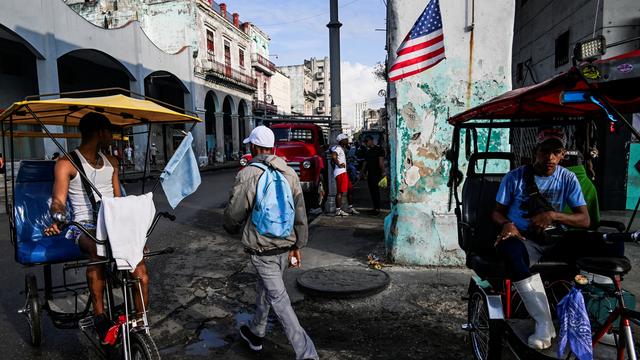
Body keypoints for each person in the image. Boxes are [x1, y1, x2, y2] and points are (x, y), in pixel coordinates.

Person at [492, 128, 624, 350]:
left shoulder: (568, 178)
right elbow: (496, 212)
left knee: (611, 244)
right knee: (510, 251)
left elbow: (585, 220)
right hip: (524, 238)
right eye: (545, 151)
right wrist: (507, 224)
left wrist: (553, 215)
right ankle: (543, 322)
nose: (550, 157)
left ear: (563, 154)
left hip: (556, 238)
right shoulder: (514, 177)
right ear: (536, 151)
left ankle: (599, 321)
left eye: (556, 152)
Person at [44, 112, 150, 343]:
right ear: (101, 133)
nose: (112, 138)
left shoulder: (112, 163)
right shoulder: (66, 163)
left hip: (112, 222)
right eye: (109, 133)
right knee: (97, 250)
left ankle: (141, 321)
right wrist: (58, 217)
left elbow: (118, 199)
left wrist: (135, 233)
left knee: (139, 265)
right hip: (82, 225)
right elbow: (58, 200)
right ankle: (99, 316)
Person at [223, 126, 319, 360]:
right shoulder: (288, 172)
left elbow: (235, 211)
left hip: (262, 247)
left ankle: (307, 354)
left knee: (279, 299)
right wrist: (298, 244)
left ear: (254, 147)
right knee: (266, 289)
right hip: (286, 245)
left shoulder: (249, 173)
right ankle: (256, 333)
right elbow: (300, 211)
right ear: (273, 147)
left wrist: (230, 227)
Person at [331, 133, 358, 216]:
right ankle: (338, 210)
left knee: (350, 189)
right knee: (340, 192)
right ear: (342, 141)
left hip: (343, 172)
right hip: (340, 172)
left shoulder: (341, 148)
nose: (347, 141)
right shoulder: (338, 148)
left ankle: (350, 208)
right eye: (346, 139)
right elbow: (334, 156)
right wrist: (339, 165)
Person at [360, 136, 386, 215]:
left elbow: (381, 163)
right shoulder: (368, 151)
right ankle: (375, 208)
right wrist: (362, 172)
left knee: (375, 191)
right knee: (372, 191)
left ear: (371, 141)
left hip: (376, 173)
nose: (366, 144)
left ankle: (377, 209)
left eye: (366, 142)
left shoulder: (379, 150)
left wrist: (383, 172)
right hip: (370, 174)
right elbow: (365, 163)